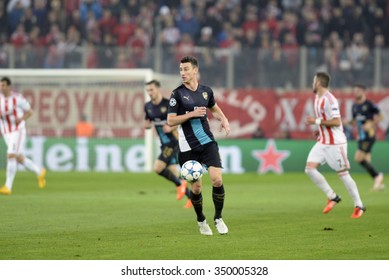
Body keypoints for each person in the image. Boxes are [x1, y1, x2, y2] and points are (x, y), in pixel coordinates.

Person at [167, 56, 230, 235]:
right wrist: (191, 114)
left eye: (186, 69)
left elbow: (214, 108)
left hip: (207, 142)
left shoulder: (206, 91)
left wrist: (224, 120)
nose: (183, 73)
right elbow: (171, 120)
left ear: (195, 70)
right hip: (188, 148)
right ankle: (201, 219)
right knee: (197, 187)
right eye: (181, 70)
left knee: (217, 179)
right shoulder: (177, 94)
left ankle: (218, 217)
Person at [305, 72, 365, 218]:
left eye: (314, 81)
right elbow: (324, 119)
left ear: (318, 83)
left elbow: (337, 121)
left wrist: (316, 122)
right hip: (323, 142)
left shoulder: (330, 100)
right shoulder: (317, 98)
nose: (312, 83)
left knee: (343, 175)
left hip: (335, 144)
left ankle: (359, 205)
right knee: (309, 169)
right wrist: (319, 130)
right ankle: (332, 196)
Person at [144, 79, 192, 208]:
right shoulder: (148, 106)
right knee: (173, 173)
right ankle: (192, 198)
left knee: (157, 167)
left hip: (173, 142)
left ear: (158, 89)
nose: (149, 92)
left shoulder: (168, 105)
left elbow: (181, 120)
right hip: (164, 144)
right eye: (148, 90)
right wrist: (147, 125)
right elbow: (147, 122)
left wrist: (171, 127)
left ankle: (180, 185)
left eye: (152, 90)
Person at [0, 77, 46, 195]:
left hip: (17, 130)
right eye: (0, 85)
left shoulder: (17, 98)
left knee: (11, 155)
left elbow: (30, 111)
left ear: (9, 86)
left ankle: (7, 187)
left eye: (4, 85)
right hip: (6, 132)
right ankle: (39, 172)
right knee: (19, 158)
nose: (1, 87)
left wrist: (21, 118)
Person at [348, 85, 384, 191]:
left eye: (358, 91)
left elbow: (381, 117)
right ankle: (378, 183)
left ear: (363, 92)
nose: (356, 93)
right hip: (361, 137)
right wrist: (348, 122)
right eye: (355, 91)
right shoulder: (354, 106)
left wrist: (371, 124)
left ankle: (378, 176)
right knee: (366, 160)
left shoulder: (369, 104)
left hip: (369, 136)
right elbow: (354, 121)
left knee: (358, 158)